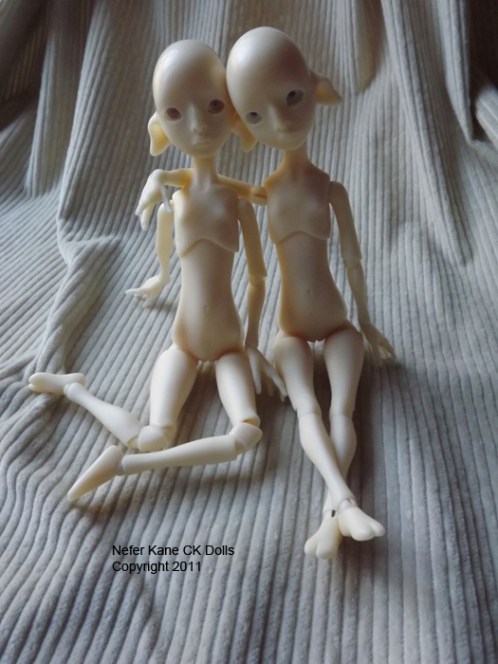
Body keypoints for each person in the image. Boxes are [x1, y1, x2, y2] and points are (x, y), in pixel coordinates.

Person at [30, 40, 282, 500]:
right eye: (175, 113)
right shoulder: (175, 204)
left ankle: (126, 467)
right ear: (159, 127)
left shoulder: (238, 204)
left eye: (213, 106)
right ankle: (74, 390)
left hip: (229, 344)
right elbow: (165, 255)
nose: (198, 125)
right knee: (152, 433)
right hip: (183, 340)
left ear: (233, 114)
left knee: (247, 433)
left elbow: (258, 277)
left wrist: (251, 344)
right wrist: (160, 276)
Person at [227, 27, 394, 558]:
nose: (280, 121)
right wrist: (251, 342)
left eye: (293, 97)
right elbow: (198, 184)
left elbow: (353, 260)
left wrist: (365, 320)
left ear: (317, 88)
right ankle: (343, 503)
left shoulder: (330, 189)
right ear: (243, 126)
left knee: (343, 409)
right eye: (257, 114)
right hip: (291, 329)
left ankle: (332, 514)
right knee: (307, 410)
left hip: (338, 322)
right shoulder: (262, 192)